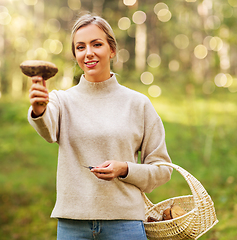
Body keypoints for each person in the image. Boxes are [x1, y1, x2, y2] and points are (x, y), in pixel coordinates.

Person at [28, 13, 172, 240]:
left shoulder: (138, 104)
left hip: (125, 224)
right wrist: (38, 108)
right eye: (80, 47)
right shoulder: (60, 101)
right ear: (75, 54)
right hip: (72, 226)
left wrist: (125, 169)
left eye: (97, 44)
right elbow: (47, 129)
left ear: (112, 50)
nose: (89, 53)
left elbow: (162, 170)